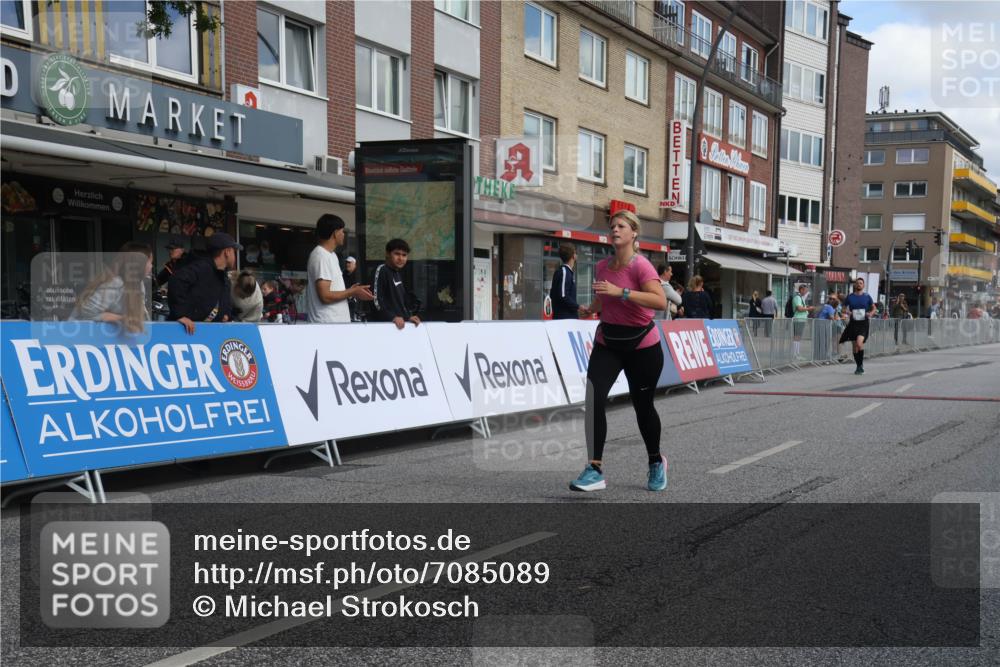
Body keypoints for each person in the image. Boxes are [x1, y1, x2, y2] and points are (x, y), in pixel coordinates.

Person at [569, 210, 667, 493]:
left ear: (634, 232)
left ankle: (656, 461)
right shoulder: (602, 266)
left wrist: (621, 292)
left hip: (642, 346)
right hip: (608, 342)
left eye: (621, 226)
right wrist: (591, 308)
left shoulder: (641, 266)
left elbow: (660, 301)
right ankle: (594, 469)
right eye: (612, 226)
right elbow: (604, 297)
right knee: (594, 397)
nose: (615, 230)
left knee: (643, 407)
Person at [72, 242, 153, 333]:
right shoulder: (116, 283)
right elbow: (86, 311)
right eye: (150, 262)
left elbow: (141, 316)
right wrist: (119, 318)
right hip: (79, 334)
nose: (151, 266)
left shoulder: (138, 284)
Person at [168, 233, 240, 334]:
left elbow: (222, 303)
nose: (235, 256)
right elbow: (176, 281)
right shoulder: (201, 268)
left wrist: (226, 315)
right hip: (185, 333)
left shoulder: (223, 276)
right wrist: (180, 315)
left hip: (204, 334)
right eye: (234, 251)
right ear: (227, 252)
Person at [305, 214, 373, 323]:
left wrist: (352, 291)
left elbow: (331, 292)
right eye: (342, 231)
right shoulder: (321, 256)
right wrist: (352, 291)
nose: (343, 234)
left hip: (335, 324)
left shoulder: (331, 255)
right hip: (326, 324)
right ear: (335, 233)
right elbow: (325, 296)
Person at [371, 238, 421, 329]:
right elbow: (375, 299)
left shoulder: (397, 273)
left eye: (404, 255)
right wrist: (392, 317)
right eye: (397, 254)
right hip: (384, 328)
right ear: (387, 254)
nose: (401, 258)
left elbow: (399, 303)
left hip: (399, 327)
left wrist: (408, 317)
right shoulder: (381, 270)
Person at [839, 276, 876, 375]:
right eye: (857, 283)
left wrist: (870, 313)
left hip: (863, 323)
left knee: (859, 344)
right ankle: (859, 366)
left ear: (863, 285)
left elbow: (874, 308)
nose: (859, 284)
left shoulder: (867, 296)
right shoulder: (850, 297)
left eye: (861, 283)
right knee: (855, 346)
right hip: (853, 323)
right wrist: (848, 312)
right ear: (855, 285)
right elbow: (843, 309)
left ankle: (860, 365)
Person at [550, 244, 584, 319]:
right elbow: (563, 295)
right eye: (575, 253)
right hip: (565, 319)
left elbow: (553, 294)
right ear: (573, 256)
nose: (576, 255)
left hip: (565, 318)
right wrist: (578, 307)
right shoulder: (564, 272)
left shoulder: (564, 271)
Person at [792, 284, 813, 359]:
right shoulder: (797, 297)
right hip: (798, 319)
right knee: (797, 337)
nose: (806, 292)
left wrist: (807, 308)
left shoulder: (800, 298)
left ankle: (797, 353)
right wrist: (808, 309)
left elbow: (801, 308)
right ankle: (795, 354)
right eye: (805, 290)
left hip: (801, 319)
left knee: (798, 337)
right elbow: (799, 308)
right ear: (801, 290)